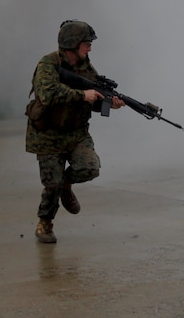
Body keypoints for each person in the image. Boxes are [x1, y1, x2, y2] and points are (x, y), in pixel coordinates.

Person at [25, 20, 124, 243]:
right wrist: (82, 95)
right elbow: (49, 94)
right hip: (48, 135)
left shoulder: (86, 68)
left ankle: (66, 185)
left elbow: (94, 100)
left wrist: (110, 104)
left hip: (76, 133)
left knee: (89, 169)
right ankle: (45, 223)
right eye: (86, 43)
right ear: (72, 44)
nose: (90, 48)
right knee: (52, 184)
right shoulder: (48, 65)